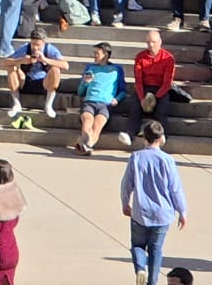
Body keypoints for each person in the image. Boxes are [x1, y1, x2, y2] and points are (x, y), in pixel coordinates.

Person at [118, 121, 186, 285]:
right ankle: (152, 281)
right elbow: (175, 188)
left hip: (141, 211)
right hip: (163, 213)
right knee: (156, 249)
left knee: (138, 245)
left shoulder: (136, 157)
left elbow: (126, 184)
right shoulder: (167, 160)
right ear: (161, 138)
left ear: (144, 139)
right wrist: (182, 210)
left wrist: (125, 202)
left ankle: (140, 268)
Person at [72, 41, 127, 155]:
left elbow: (123, 90)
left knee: (97, 126)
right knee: (88, 121)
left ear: (105, 55)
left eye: (97, 53)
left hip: (105, 104)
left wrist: (117, 99)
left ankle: (83, 145)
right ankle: (86, 147)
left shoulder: (116, 69)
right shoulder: (90, 68)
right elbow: (80, 92)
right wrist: (85, 83)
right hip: (89, 101)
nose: (94, 56)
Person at [4, 31, 66, 124]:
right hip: (25, 81)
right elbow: (4, 62)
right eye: (33, 44)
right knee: (11, 67)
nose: (35, 47)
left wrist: (46, 60)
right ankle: (16, 103)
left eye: (38, 45)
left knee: (56, 70)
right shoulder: (25, 48)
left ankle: (49, 105)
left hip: (43, 82)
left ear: (44, 42)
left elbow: (65, 65)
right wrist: (20, 60)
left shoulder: (50, 49)